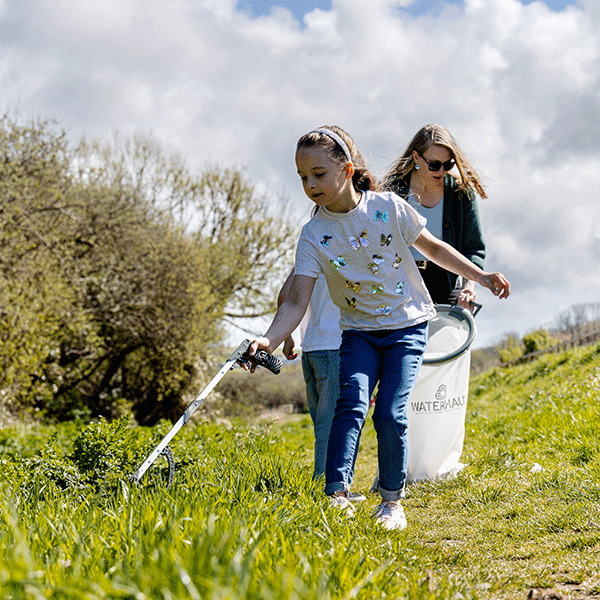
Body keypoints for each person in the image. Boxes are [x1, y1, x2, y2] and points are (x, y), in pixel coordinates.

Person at [242, 125, 510, 531]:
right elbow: (296, 299)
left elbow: (434, 249)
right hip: (359, 331)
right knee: (350, 406)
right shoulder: (314, 235)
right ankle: (337, 496)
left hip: (406, 325)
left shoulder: (388, 208)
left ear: (347, 170)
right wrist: (269, 338)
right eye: (302, 177)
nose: (309, 184)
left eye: (318, 173)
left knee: (389, 412)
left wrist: (481, 275)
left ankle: (391, 503)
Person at [279, 270, 364, 502]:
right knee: (334, 426)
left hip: (311, 348)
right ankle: (329, 489)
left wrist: (288, 337)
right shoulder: (345, 248)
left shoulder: (309, 252)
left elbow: (284, 295)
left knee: (322, 426)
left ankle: (327, 485)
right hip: (337, 344)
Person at [382, 124, 486, 311]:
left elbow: (473, 249)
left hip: (447, 285)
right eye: (434, 165)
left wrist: (468, 288)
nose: (441, 171)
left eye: (448, 164)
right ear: (416, 157)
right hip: (402, 285)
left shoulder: (461, 193)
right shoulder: (392, 192)